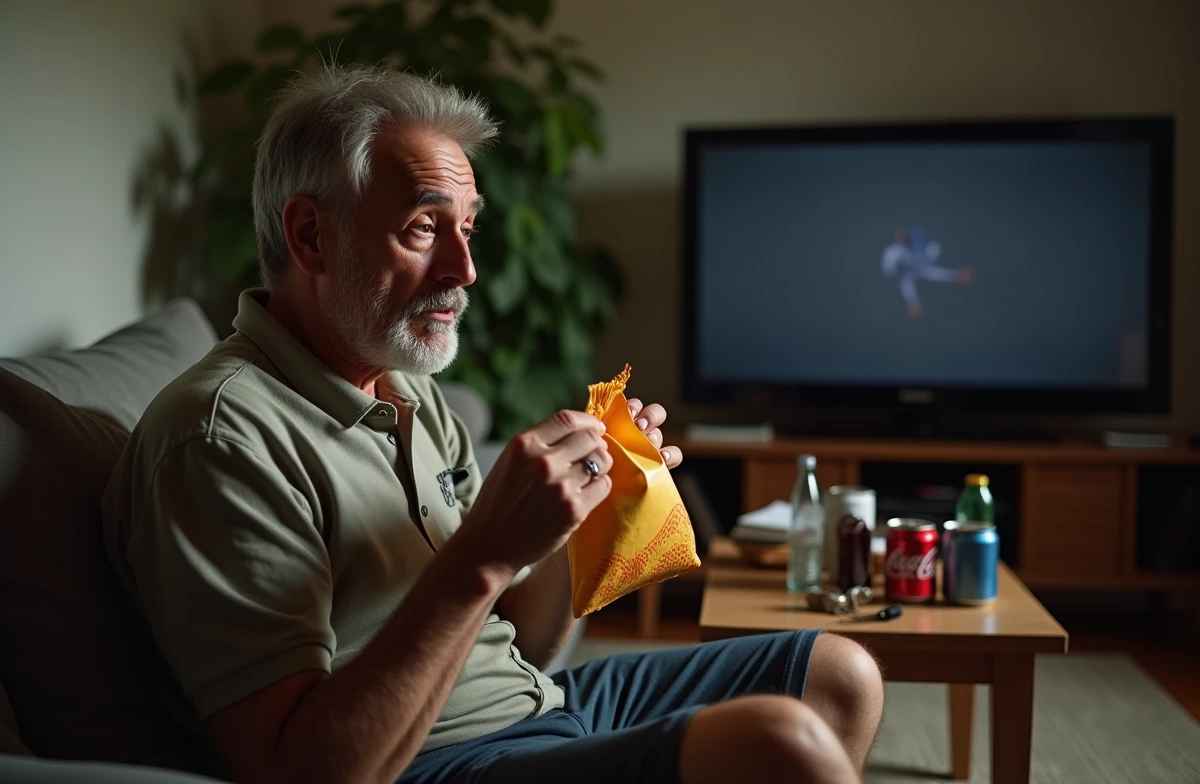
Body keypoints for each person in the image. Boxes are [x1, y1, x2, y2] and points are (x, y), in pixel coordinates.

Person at [102, 64, 883, 784]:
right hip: (429, 763)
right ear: (310, 236)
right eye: (422, 228)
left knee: (840, 675)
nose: (464, 270)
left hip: (534, 709)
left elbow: (521, 646)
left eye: (467, 228)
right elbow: (300, 770)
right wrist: (485, 551)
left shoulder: (409, 390)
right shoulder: (219, 437)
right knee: (782, 743)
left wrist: (583, 512)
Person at [880, 226, 973, 318]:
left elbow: (934, 248)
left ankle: (959, 276)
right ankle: (914, 305)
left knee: (932, 273)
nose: (902, 237)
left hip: (923, 265)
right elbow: (888, 269)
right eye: (899, 236)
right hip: (908, 271)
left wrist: (929, 257)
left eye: (903, 234)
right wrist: (896, 268)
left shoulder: (917, 236)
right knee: (906, 282)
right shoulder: (895, 250)